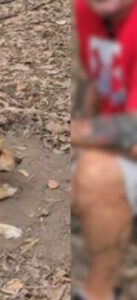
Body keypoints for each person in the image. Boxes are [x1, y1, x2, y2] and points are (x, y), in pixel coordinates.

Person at [72, 0, 137, 299]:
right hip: (113, 130)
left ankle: (99, 292)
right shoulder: (91, 10)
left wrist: (79, 134)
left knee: (98, 174)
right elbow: (101, 84)